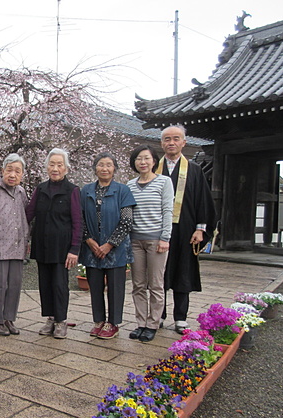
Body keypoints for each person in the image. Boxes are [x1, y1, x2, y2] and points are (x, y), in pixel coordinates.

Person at [157, 125, 216, 333]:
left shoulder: (194, 169)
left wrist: (200, 229)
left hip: (186, 229)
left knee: (183, 272)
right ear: (161, 143)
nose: (171, 143)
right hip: (158, 231)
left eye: (175, 139)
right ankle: (159, 315)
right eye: (166, 139)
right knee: (159, 273)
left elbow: (203, 201)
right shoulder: (155, 168)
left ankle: (181, 317)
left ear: (184, 142)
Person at [25, 148, 82, 339]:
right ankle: (50, 318)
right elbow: (28, 214)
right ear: (47, 167)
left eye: (59, 165)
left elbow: (77, 221)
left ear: (66, 168)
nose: (55, 168)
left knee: (59, 284)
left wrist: (74, 249)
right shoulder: (41, 189)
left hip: (62, 246)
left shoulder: (72, 190)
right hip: (42, 244)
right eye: (52, 164)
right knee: (45, 284)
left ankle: (61, 321)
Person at [80, 152, 135, 340]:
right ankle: (99, 321)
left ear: (114, 169)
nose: (104, 168)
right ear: (95, 168)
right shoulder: (85, 190)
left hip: (115, 249)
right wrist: (89, 240)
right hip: (91, 248)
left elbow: (127, 221)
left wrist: (110, 244)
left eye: (109, 165)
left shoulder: (123, 190)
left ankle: (113, 323)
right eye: (101, 165)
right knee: (94, 286)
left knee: (115, 287)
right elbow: (79, 218)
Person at [126, 145, 174, 342]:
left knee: (155, 284)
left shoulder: (164, 182)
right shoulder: (129, 185)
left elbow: (168, 211)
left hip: (156, 241)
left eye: (146, 158)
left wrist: (165, 238)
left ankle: (153, 323)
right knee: (138, 284)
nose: (142, 162)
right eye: (139, 159)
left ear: (154, 161)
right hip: (135, 240)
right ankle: (141, 323)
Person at [0, 153, 29, 336]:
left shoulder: (21, 192)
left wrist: (27, 242)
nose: (13, 174)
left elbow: (25, 218)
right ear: (2, 170)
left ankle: (9, 319)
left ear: (22, 174)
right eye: (9, 170)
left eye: (17, 171)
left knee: (15, 285)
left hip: (18, 247)